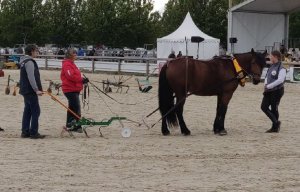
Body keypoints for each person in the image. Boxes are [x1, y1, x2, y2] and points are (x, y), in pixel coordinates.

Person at [19, 44, 45, 139]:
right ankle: (33, 132)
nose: (37, 52)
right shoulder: (29, 62)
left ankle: (25, 132)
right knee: (35, 111)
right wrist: (36, 90)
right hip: (30, 90)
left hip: (25, 89)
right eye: (36, 50)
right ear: (32, 51)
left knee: (28, 110)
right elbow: (31, 77)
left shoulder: (23, 61)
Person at [60, 48, 89, 132]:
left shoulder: (71, 64)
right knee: (76, 107)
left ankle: (70, 124)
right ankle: (76, 125)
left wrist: (83, 80)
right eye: (74, 54)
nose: (76, 55)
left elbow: (75, 75)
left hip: (74, 88)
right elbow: (70, 76)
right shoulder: (67, 64)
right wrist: (81, 80)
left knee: (72, 107)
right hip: (69, 89)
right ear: (69, 55)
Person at [261, 50, 286, 133]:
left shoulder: (281, 68)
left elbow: (280, 80)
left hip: (277, 91)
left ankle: (274, 127)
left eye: (271, 56)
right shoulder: (271, 66)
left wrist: (269, 86)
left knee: (274, 108)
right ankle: (276, 123)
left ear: (275, 57)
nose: (270, 57)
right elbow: (266, 77)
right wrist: (266, 84)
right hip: (269, 90)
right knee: (263, 107)